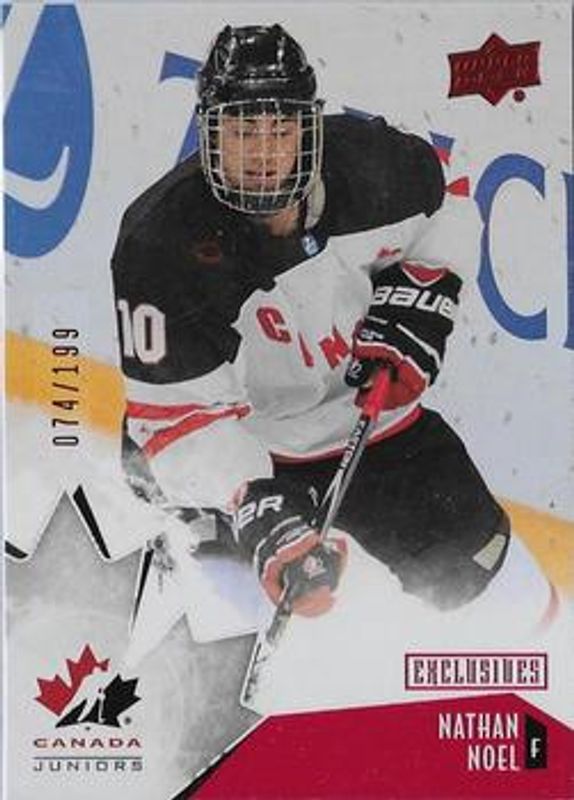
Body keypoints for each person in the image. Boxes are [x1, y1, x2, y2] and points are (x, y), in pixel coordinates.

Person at [111, 23, 510, 621]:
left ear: (309, 128)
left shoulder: (373, 168)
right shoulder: (161, 244)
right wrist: (253, 501)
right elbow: (177, 421)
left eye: (281, 129)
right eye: (243, 131)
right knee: (217, 608)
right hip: (243, 442)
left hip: (365, 418)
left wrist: (423, 291)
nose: (264, 153)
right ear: (209, 134)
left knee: (472, 563)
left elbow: (449, 196)